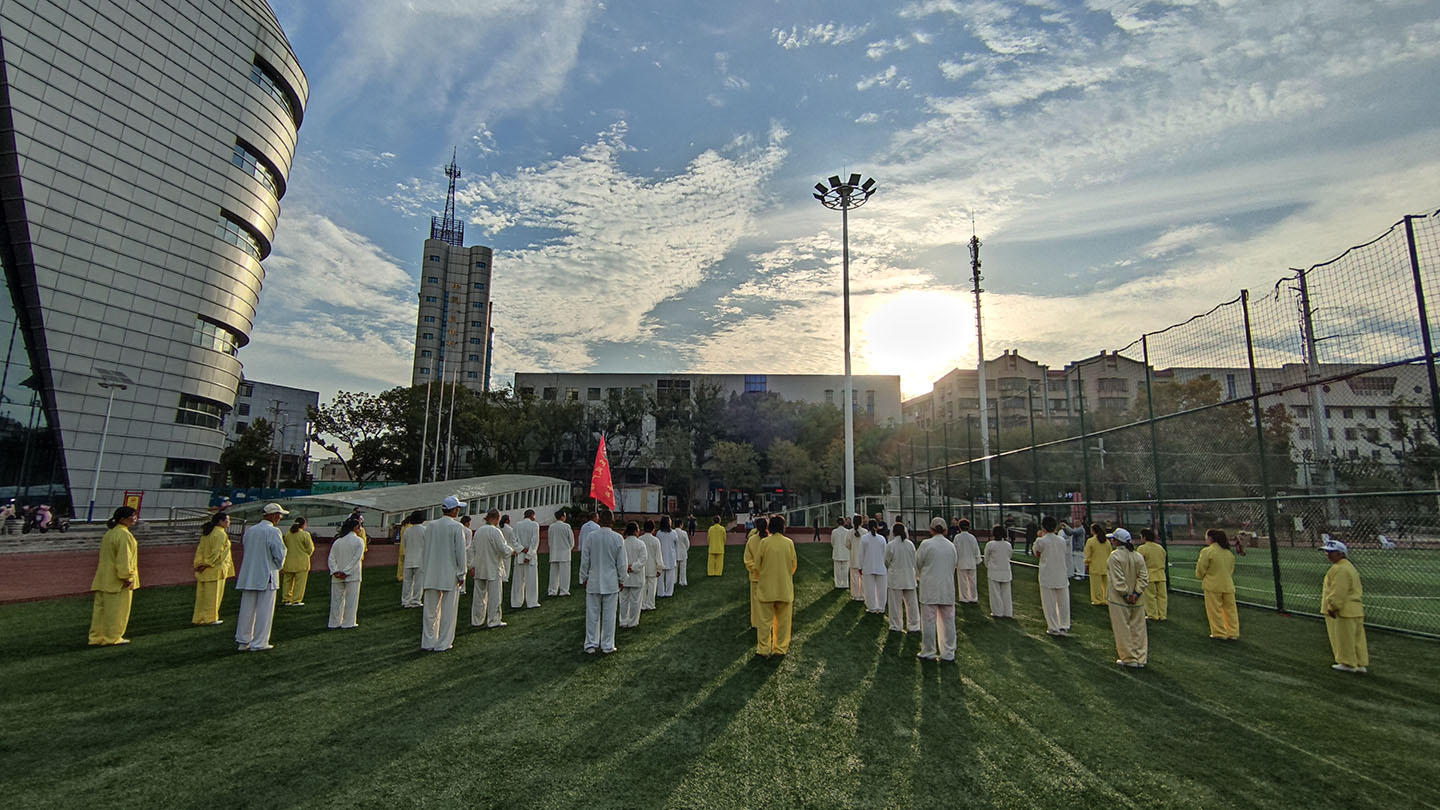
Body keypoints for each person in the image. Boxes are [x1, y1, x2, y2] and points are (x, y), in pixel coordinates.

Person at [234, 503, 288, 652]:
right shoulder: (273, 531)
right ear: (274, 515)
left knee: (247, 609)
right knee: (265, 610)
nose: (280, 517)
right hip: (266, 574)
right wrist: (279, 566)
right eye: (279, 515)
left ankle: (243, 640)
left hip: (249, 574)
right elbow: (279, 553)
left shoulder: (251, 531)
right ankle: (260, 641)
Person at [420, 496, 469, 651]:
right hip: (449, 573)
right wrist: (462, 574)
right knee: (449, 611)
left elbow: (426, 549)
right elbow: (460, 553)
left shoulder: (431, 526)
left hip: (431, 572)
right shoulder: (456, 527)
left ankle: (428, 642)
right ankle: (443, 643)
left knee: (430, 612)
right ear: (454, 510)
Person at [89, 506, 139, 646]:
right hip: (117, 579)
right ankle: (113, 637)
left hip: (103, 577)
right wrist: (127, 576)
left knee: (101, 611)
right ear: (123, 519)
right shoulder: (124, 535)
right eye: (132, 516)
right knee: (117, 611)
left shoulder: (110, 533)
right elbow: (124, 558)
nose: (135, 518)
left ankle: (96, 637)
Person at [579, 511, 627, 654]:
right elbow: (622, 563)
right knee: (609, 615)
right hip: (611, 580)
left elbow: (585, 560)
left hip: (593, 579)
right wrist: (622, 579)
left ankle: (590, 644)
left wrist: (583, 577)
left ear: (599, 521)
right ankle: (607, 645)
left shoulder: (591, 537)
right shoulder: (617, 538)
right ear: (612, 521)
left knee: (592, 614)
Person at [1320, 537, 1368, 673]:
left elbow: (1338, 591)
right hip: (1354, 609)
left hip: (1343, 610)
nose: (1328, 555)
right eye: (1327, 552)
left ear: (1341, 553)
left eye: (1332, 552)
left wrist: (1332, 607)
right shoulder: (1348, 567)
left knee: (1343, 638)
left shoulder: (1339, 569)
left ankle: (1347, 662)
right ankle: (1359, 662)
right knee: (1357, 638)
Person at [753, 515, 797, 657]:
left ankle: (763, 649)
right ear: (783, 527)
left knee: (764, 622)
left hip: (766, 588)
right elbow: (793, 565)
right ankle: (780, 648)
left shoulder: (764, 543)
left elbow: (757, 565)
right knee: (783, 622)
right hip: (784, 588)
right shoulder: (789, 543)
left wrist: (764, 575)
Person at [1106, 528, 1150, 667]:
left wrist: (1126, 595)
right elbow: (1143, 577)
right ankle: (1140, 657)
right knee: (1139, 628)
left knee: (1122, 628)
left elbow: (1118, 580)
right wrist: (1136, 594)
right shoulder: (1137, 556)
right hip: (1137, 599)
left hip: (1119, 599)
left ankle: (1129, 658)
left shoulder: (1115, 556)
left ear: (1117, 541)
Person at [916, 518, 959, 661]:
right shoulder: (951, 546)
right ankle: (948, 652)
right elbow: (954, 564)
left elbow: (917, 563)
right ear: (945, 530)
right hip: (946, 586)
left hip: (929, 587)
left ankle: (928, 651)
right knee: (948, 621)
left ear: (931, 529)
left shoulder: (926, 544)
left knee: (928, 620)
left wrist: (920, 577)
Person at [470, 509, 511, 629]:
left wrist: (471, 565)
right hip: (493, 567)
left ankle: (477, 620)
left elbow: (472, 549)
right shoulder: (495, 531)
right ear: (497, 518)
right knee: (495, 596)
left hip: (479, 566)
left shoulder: (478, 531)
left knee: (479, 596)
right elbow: (502, 549)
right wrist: (511, 550)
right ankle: (494, 620)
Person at [1196, 528, 1240, 640]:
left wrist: (1201, 576)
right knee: (1231, 610)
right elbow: (1230, 569)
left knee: (1214, 610)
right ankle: (1233, 632)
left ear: (1211, 538)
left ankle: (1219, 632)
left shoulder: (1207, 551)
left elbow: (1201, 569)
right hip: (1228, 585)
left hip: (1212, 585)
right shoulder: (1228, 553)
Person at [191, 513, 234, 625]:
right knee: (213, 596)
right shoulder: (220, 534)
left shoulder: (207, 533)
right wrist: (206, 563)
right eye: (227, 520)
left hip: (204, 570)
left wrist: (199, 564)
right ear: (220, 521)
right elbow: (217, 551)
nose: (229, 522)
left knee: (202, 596)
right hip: (215, 569)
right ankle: (210, 618)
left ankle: (199, 618)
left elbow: (200, 550)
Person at [1033, 516, 1071, 636]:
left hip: (1047, 575)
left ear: (1043, 527)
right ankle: (1064, 626)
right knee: (1063, 602)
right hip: (1060, 574)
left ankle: (1053, 627)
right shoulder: (1061, 540)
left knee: (1049, 603)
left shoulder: (1041, 541)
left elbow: (1037, 553)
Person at [327, 516, 365, 630]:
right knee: (351, 600)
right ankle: (348, 622)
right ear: (355, 528)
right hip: (352, 575)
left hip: (337, 575)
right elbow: (356, 558)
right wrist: (346, 571)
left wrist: (335, 570)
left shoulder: (338, 541)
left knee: (336, 600)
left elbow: (331, 558)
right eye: (360, 527)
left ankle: (334, 622)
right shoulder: (359, 541)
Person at [884, 522, 920, 633]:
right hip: (909, 576)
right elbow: (914, 561)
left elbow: (886, 561)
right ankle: (914, 625)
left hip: (896, 578)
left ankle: (896, 625)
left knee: (895, 604)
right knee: (912, 604)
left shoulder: (891, 545)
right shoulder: (910, 545)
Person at [618, 521, 647, 628]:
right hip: (636, 576)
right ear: (635, 531)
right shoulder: (640, 544)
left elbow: (618, 559)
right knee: (635, 600)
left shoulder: (623, 543)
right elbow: (643, 559)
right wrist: (633, 567)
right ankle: (633, 621)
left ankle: (623, 620)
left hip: (624, 576)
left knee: (623, 600)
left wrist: (626, 567)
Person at [280, 516, 314, 607]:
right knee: (300, 582)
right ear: (303, 525)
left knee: (287, 581)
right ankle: (296, 600)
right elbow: (310, 549)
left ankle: (286, 599)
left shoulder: (288, 535)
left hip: (289, 561)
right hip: (302, 561)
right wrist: (306, 554)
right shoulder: (305, 534)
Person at [511, 509, 542, 609]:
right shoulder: (534, 525)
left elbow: (514, 541)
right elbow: (534, 542)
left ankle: (516, 602)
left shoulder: (516, 525)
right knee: (531, 580)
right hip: (530, 557)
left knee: (518, 581)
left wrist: (521, 549)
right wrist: (529, 555)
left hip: (520, 555)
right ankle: (532, 601)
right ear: (532, 515)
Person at [982, 523, 1013, 618]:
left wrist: (988, 566)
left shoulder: (990, 544)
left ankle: (997, 612)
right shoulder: (1008, 545)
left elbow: (986, 558)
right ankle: (1008, 612)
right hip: (1006, 571)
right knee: (1006, 593)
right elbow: (1009, 556)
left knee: (995, 593)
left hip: (994, 571)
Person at [1136, 528, 1168, 620]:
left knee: (1150, 596)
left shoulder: (1142, 548)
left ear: (1144, 537)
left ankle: (1152, 614)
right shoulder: (1160, 548)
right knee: (1162, 596)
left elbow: (1139, 562)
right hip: (1161, 575)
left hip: (1149, 575)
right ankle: (1162, 615)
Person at [859, 521, 889, 614]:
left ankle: (871, 607)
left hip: (868, 566)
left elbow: (861, 554)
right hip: (880, 566)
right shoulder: (882, 539)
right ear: (877, 527)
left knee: (869, 589)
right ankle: (881, 607)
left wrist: (860, 566)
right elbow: (885, 553)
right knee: (882, 589)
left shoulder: (864, 538)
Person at [398, 511, 426, 609]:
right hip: (420, 560)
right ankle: (415, 600)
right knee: (418, 582)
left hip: (409, 559)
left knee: (407, 582)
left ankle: (405, 600)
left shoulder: (407, 530)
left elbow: (404, 544)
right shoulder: (424, 530)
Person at [743, 518, 767, 629]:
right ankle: (769, 622)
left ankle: (756, 623)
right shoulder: (771, 540)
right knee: (770, 601)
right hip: (769, 576)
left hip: (756, 576)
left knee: (756, 602)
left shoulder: (752, 540)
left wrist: (756, 568)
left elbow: (748, 560)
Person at [548, 510, 575, 596]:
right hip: (565, 553)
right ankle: (564, 590)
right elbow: (571, 541)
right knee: (565, 574)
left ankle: (552, 590)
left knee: (553, 574)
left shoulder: (551, 527)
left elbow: (549, 541)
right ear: (563, 516)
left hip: (554, 552)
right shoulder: (566, 526)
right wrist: (569, 548)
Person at [953, 518, 980, 604]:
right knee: (972, 581)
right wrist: (977, 559)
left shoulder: (957, 537)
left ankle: (964, 597)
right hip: (971, 562)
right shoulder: (972, 537)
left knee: (962, 581)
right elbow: (976, 550)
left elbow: (955, 550)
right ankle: (973, 597)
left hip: (961, 562)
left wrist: (955, 561)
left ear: (959, 527)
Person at [1083, 523, 1110, 605]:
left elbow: (1087, 554)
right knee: (1106, 585)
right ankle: (1106, 599)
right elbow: (1110, 552)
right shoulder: (1106, 541)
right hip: (1105, 565)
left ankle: (1097, 600)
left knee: (1096, 585)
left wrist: (1086, 562)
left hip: (1094, 565)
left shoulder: (1091, 541)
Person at [640, 519, 662, 610]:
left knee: (643, 587)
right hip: (652, 566)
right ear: (653, 529)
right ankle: (650, 604)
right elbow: (658, 555)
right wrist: (659, 568)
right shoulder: (656, 540)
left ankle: (642, 604)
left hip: (643, 566)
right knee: (652, 586)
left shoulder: (640, 539)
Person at [656, 516, 680, 597]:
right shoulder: (673, 533)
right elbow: (677, 544)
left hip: (661, 557)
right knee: (670, 577)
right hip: (670, 557)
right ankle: (669, 592)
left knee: (660, 577)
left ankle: (660, 592)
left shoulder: (659, 533)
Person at [847, 514, 866, 602]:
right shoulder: (865, 532)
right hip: (863, 559)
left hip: (854, 557)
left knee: (854, 578)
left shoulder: (850, 532)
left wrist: (852, 547)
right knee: (862, 578)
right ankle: (862, 595)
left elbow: (847, 544)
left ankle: (855, 595)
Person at [830, 516, 851, 589]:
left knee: (837, 570)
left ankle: (838, 583)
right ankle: (845, 583)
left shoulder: (834, 531)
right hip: (846, 552)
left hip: (837, 552)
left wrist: (835, 547)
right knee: (845, 569)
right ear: (844, 523)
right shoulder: (847, 532)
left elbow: (832, 542)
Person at [499, 514, 517, 586]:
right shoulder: (510, 529)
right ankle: (505, 577)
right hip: (508, 546)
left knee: (501, 562)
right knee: (507, 564)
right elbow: (512, 540)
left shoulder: (499, 528)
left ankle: (501, 575)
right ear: (507, 520)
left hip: (500, 547)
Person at [674, 520, 691, 587]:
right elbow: (687, 543)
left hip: (675, 552)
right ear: (681, 525)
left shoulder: (673, 532)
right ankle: (683, 581)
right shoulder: (684, 533)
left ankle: (674, 580)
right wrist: (685, 549)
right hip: (683, 552)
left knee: (675, 569)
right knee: (683, 568)